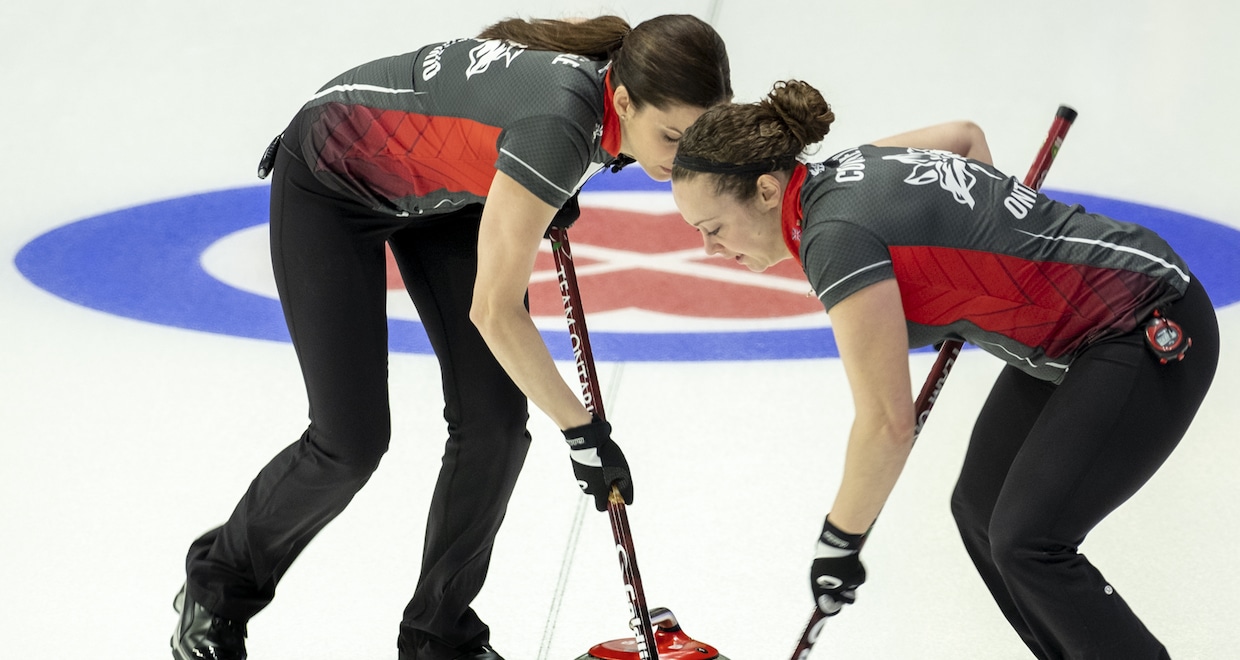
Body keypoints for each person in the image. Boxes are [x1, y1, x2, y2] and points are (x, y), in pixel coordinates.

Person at [171, 15, 731, 660]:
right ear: (625, 99)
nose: (679, 158)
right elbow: (493, 312)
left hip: (443, 193)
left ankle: (439, 636)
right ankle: (216, 589)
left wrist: (550, 184)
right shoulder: (557, 127)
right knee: (348, 442)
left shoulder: (609, 90)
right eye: (670, 138)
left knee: (493, 423)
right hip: (331, 178)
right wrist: (582, 433)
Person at [670, 81, 1216, 659]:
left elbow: (885, 424)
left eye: (713, 228)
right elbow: (964, 138)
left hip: (1144, 320)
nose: (709, 249)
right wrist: (973, 254)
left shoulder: (835, 239)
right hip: (1076, 334)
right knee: (981, 511)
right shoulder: (843, 170)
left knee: (1028, 543)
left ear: (764, 189)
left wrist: (840, 538)